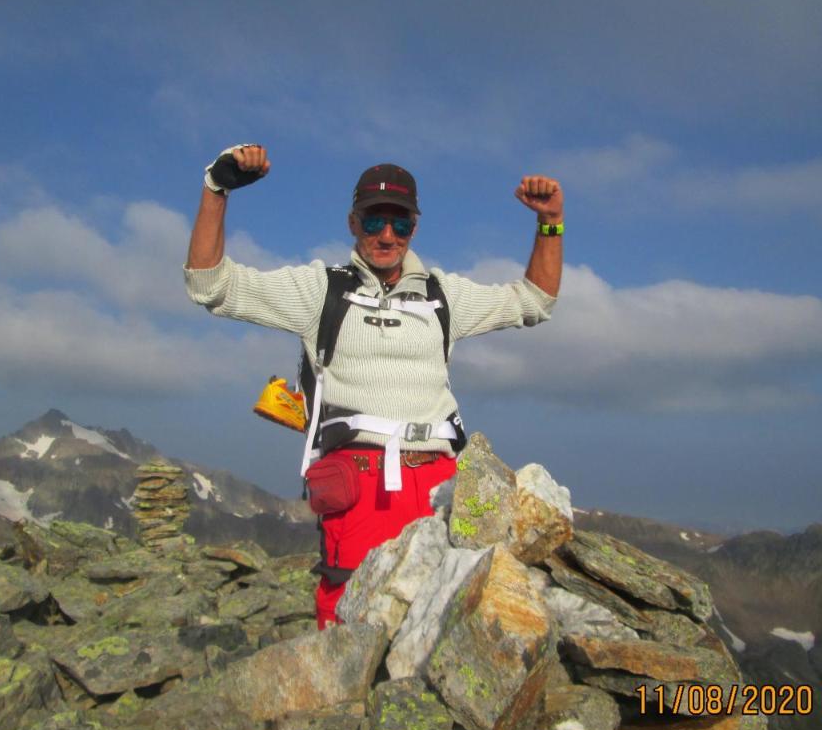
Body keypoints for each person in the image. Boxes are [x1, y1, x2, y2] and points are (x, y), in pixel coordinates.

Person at [184, 144, 563, 628]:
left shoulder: (444, 296)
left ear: (415, 227)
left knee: (438, 620)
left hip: (439, 485)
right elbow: (208, 285)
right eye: (373, 221)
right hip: (357, 483)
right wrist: (217, 189)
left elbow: (535, 300)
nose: (387, 235)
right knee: (348, 620)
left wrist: (550, 221)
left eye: (400, 223)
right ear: (352, 223)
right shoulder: (320, 290)